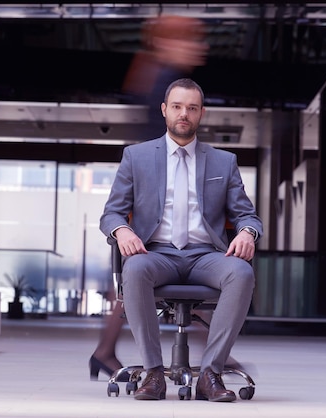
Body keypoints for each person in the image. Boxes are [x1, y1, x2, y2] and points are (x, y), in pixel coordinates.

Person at [99, 78, 263, 402]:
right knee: (134, 269)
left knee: (241, 273)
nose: (183, 114)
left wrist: (247, 232)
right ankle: (154, 373)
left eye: (191, 108)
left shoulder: (223, 162)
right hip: (155, 252)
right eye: (176, 107)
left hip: (206, 255)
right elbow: (111, 214)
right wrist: (122, 231)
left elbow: (247, 215)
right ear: (164, 110)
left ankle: (211, 374)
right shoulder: (137, 157)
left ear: (201, 113)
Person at [88, 16, 209, 382]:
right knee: (144, 275)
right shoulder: (164, 84)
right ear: (171, 41)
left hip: (151, 197)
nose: (200, 46)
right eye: (193, 39)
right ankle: (218, 355)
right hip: (151, 200)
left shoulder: (160, 78)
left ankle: (105, 352)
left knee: (133, 280)